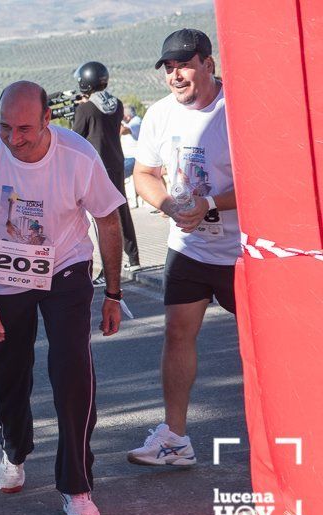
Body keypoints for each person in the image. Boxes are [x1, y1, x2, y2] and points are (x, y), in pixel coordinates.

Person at [0, 80, 126, 515]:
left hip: (65, 265)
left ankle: (76, 484)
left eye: (25, 128)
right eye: (5, 127)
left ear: (49, 118)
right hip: (4, 273)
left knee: (71, 370)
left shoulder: (77, 155)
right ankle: (14, 446)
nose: (14, 138)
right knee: (9, 374)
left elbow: (107, 220)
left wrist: (113, 293)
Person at [127, 29, 238, 467]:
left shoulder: (238, 111)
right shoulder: (159, 114)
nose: (176, 76)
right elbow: (144, 173)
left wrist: (210, 203)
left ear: (208, 65)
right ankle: (174, 438)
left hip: (242, 251)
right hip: (189, 248)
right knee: (176, 334)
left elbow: (267, 184)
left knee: (259, 344)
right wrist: (170, 205)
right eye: (169, 68)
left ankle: (289, 434)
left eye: (184, 65)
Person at [72, 61, 141, 271]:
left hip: (98, 166)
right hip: (117, 162)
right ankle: (134, 258)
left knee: (103, 218)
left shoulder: (86, 108)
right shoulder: (117, 104)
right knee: (122, 210)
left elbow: (76, 136)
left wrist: (77, 111)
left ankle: (108, 269)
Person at [120, 105, 141, 180]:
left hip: (133, 157)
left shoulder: (136, 121)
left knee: (117, 175)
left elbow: (123, 131)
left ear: (127, 116)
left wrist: (116, 119)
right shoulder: (127, 122)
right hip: (127, 157)